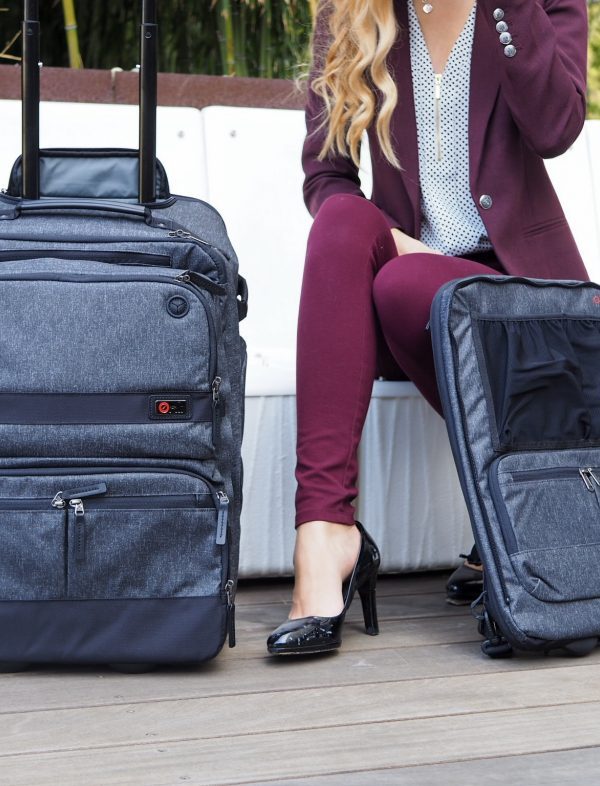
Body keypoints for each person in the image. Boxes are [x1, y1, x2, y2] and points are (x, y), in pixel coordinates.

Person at [267, 0, 589, 655]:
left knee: (407, 282)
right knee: (355, 236)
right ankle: (325, 535)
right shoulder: (356, 11)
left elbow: (556, 126)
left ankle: (520, 522)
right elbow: (326, 176)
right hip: (406, 298)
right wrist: (395, 243)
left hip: (526, 304)